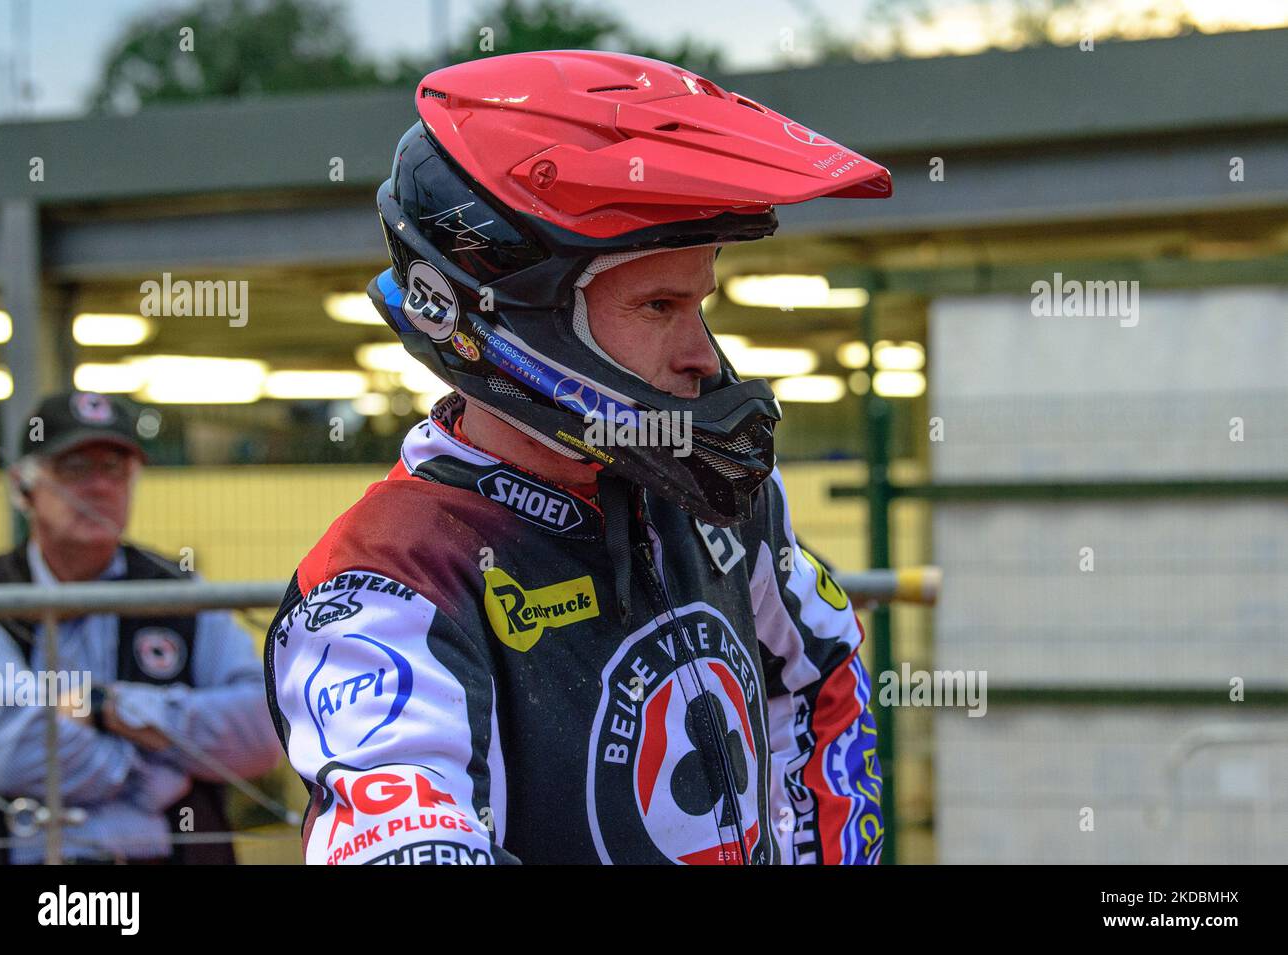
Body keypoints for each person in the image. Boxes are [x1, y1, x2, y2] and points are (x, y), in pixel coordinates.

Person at [265, 50, 892, 865]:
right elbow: (409, 840)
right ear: (523, 316)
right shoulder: (387, 580)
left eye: (700, 302)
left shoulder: (713, 493)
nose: (703, 353)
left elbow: (821, 682)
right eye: (659, 305)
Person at [0, 391, 283, 863]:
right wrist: (152, 772)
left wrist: (109, 706)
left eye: (115, 469)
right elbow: (8, 749)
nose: (100, 487)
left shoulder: (180, 592)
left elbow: (260, 733)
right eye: (75, 470)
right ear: (24, 489)